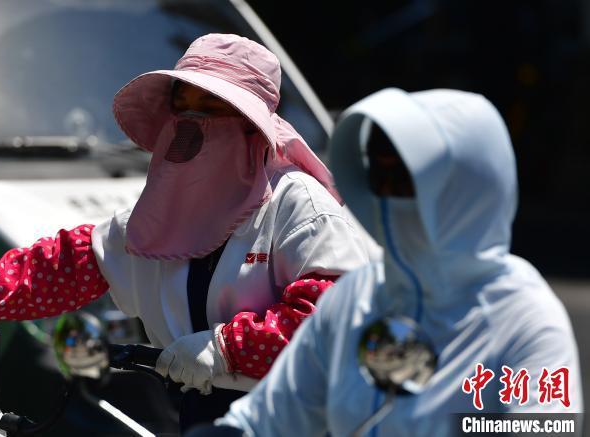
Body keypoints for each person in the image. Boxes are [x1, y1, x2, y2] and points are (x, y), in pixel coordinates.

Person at [0, 33, 370, 430]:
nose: (193, 120)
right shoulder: (163, 214)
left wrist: (229, 348)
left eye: (212, 105)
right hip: (199, 417)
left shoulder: (297, 204)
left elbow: (338, 317)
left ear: (253, 126)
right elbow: (78, 262)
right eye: (183, 101)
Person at [213, 88, 583, 436]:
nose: (387, 197)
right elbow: (268, 417)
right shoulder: (356, 297)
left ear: (467, 188)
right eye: (379, 176)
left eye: (407, 181)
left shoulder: (525, 318)